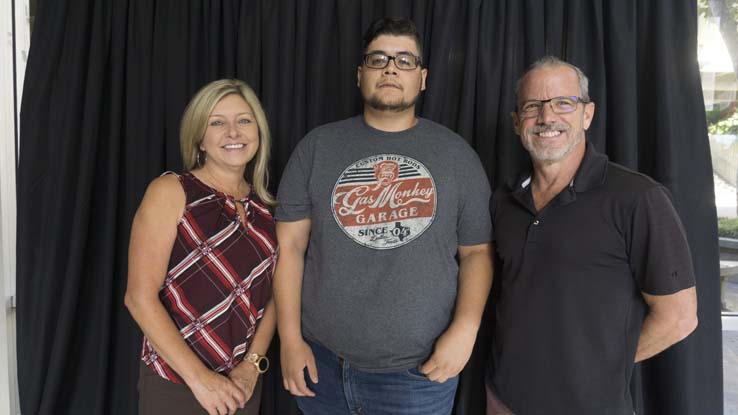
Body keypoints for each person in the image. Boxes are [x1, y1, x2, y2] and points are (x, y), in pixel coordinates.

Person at [273, 16, 493, 415]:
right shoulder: (317, 148)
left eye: (404, 60)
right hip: (321, 367)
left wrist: (466, 329)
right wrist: (290, 340)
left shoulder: (457, 155)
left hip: (418, 377)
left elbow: (477, 253)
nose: (391, 68)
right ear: (361, 75)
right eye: (379, 59)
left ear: (423, 78)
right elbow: (289, 248)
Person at [486, 56, 699, 415]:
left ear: (587, 114)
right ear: (516, 121)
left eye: (563, 103)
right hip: (503, 403)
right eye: (532, 106)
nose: (547, 117)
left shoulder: (637, 198)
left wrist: (597, 370)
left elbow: (679, 317)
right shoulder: (503, 201)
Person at [125, 79, 277, 415]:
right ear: (200, 139)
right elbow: (138, 297)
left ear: (258, 131)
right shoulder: (171, 191)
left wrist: (252, 366)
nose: (233, 132)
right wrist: (200, 380)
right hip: (176, 383)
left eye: (244, 120)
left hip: (241, 387)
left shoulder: (268, 212)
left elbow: (275, 299)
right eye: (217, 123)